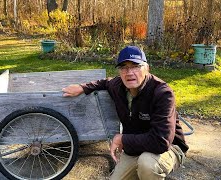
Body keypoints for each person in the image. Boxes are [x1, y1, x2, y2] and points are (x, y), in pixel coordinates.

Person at [62, 46, 189, 180]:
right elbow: (105, 82)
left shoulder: (162, 93)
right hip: (134, 149)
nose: (129, 72)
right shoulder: (118, 86)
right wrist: (83, 87)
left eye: (135, 66)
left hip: (169, 148)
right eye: (123, 67)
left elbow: (161, 141)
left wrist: (122, 139)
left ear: (147, 68)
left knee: (147, 165)